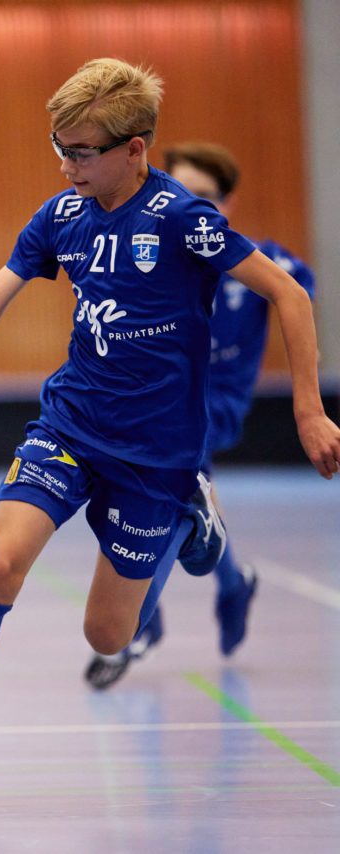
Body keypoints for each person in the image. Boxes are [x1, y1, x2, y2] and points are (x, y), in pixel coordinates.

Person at [0, 58, 340, 811]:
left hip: (157, 456)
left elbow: (288, 294)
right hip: (71, 426)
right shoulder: (60, 218)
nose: (67, 164)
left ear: (136, 148)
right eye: (60, 147)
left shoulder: (184, 219)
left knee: (108, 637)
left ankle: (188, 517)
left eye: (82, 151)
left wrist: (309, 410)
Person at [84, 142, 318, 689]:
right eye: (184, 191)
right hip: (155, 400)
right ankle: (233, 582)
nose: (193, 204)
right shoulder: (154, 251)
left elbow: (297, 298)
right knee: (150, 493)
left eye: (206, 197)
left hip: (214, 406)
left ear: (228, 203)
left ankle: (139, 627)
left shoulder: (258, 259)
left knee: (170, 487)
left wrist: (308, 402)